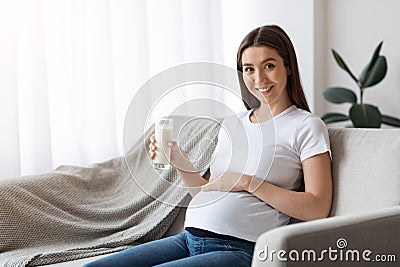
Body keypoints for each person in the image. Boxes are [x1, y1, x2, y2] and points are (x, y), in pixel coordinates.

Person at [84, 24, 332, 267]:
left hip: (240, 248)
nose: (259, 79)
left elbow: (317, 207)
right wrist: (180, 162)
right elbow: (207, 194)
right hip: (187, 239)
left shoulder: (306, 126)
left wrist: (248, 182)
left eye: (269, 66)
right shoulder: (233, 123)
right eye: (249, 69)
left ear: (288, 67)